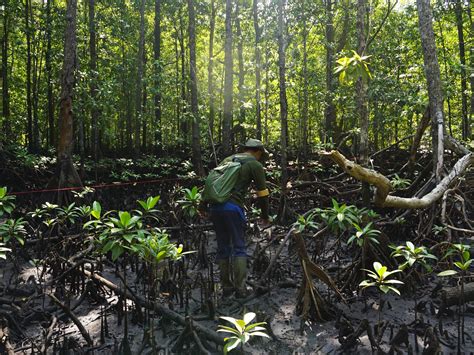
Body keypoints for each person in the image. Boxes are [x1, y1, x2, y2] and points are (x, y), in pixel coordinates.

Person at [202, 138, 271, 298]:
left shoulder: (228, 160)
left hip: (215, 207)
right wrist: (265, 215)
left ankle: (226, 288)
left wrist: (202, 206)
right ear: (258, 151)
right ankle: (240, 289)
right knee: (239, 246)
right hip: (233, 208)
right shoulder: (254, 164)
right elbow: (263, 193)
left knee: (223, 246)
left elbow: (211, 183)